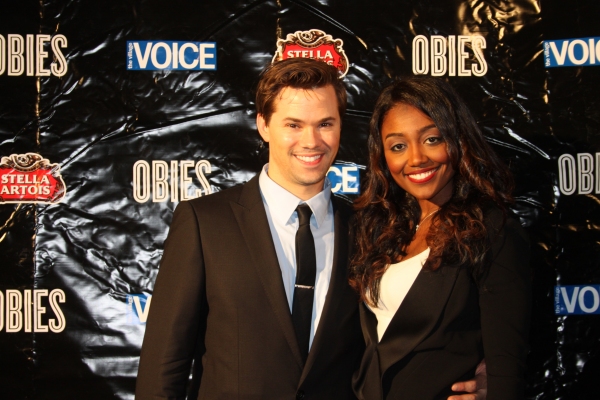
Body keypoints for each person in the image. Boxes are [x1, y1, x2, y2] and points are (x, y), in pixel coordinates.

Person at [136, 59, 487, 399]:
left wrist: (485, 381)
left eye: (325, 124)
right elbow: (164, 366)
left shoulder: (369, 228)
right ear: (263, 125)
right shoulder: (204, 222)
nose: (312, 141)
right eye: (293, 125)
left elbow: (412, 334)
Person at [349, 77, 531, 400]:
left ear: (457, 138)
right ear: (382, 155)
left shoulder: (491, 229)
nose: (416, 159)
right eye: (398, 146)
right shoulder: (385, 229)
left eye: (432, 139)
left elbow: (507, 368)